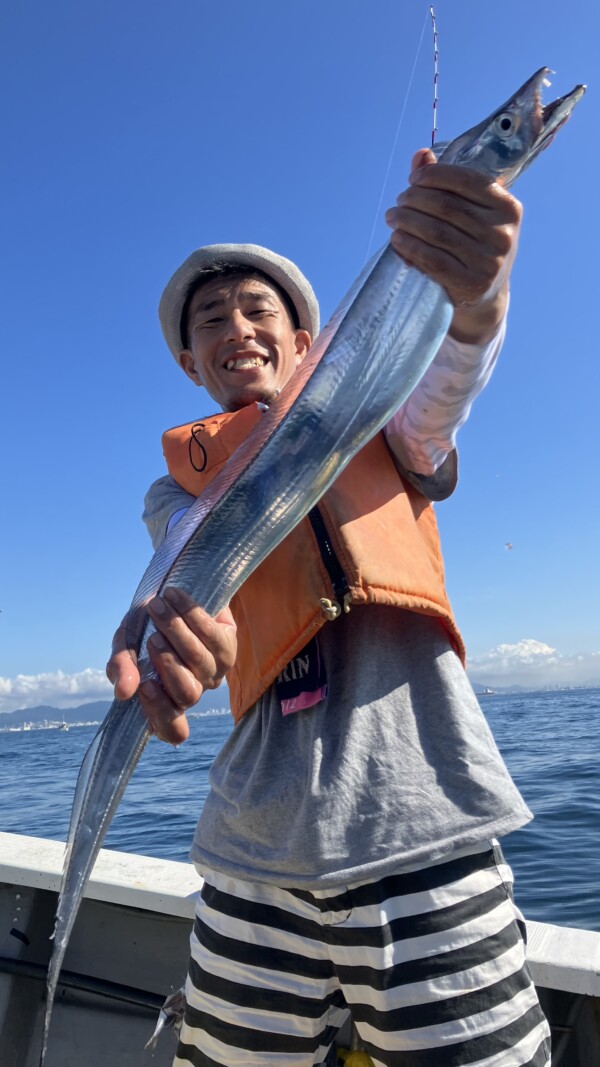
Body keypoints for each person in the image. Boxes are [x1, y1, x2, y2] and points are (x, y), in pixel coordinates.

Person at [107, 148, 551, 1067]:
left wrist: (474, 306)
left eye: (258, 308)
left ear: (308, 341)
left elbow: (448, 380)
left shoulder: (391, 423)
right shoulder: (176, 498)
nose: (237, 326)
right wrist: (187, 647)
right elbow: (190, 594)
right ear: (194, 367)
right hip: (248, 861)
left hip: (426, 830)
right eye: (211, 320)